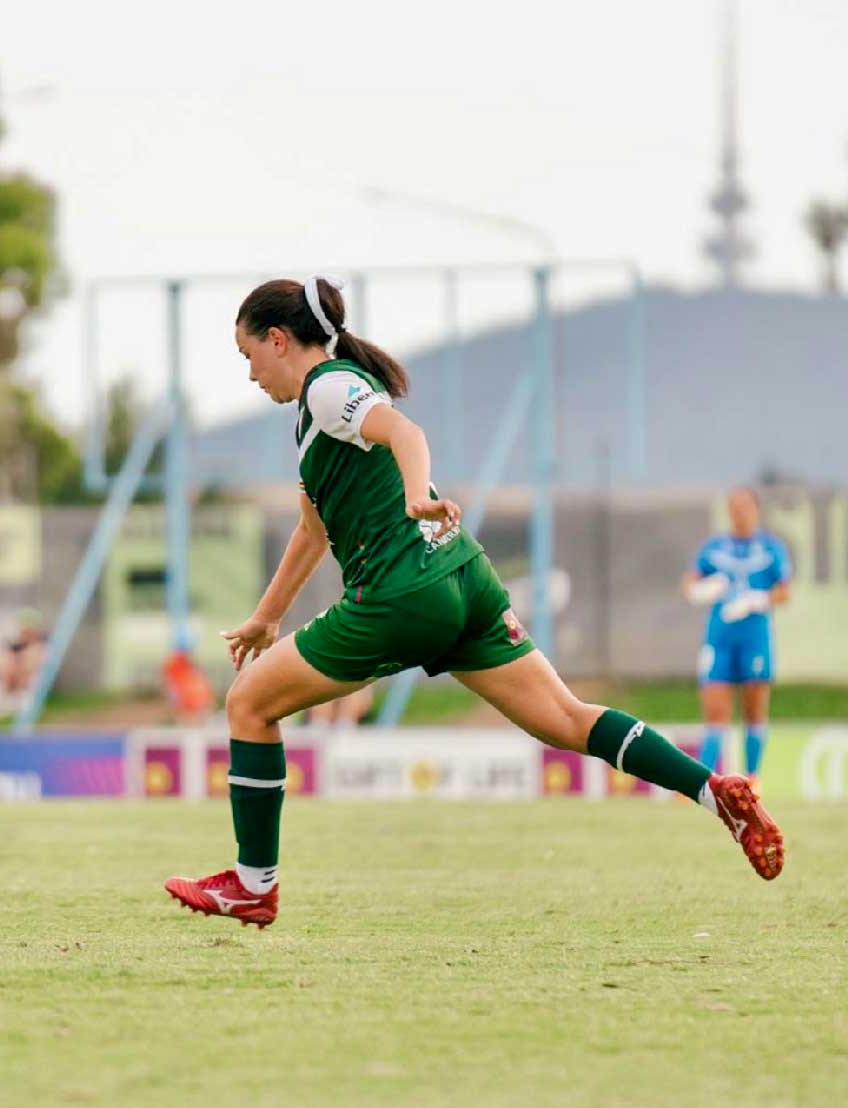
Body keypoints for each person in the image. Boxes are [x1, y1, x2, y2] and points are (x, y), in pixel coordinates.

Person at [164, 276, 784, 930]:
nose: (250, 371)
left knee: (248, 703)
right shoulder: (318, 409)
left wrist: (412, 496)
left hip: (403, 593)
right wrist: (266, 616)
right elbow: (313, 529)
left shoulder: (327, 387)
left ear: (280, 339)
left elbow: (405, 433)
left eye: (248, 354)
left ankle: (254, 886)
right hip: (464, 579)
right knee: (567, 719)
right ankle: (715, 793)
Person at [682, 487, 792, 785]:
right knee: (715, 710)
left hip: (755, 639)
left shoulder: (771, 548)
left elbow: (784, 590)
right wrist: (701, 590)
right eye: (733, 506)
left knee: (754, 710)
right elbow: (690, 582)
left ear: (756, 509)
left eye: (744, 506)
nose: (738, 512)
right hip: (719, 641)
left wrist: (757, 600)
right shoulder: (715, 548)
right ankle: (702, 781)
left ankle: (751, 780)